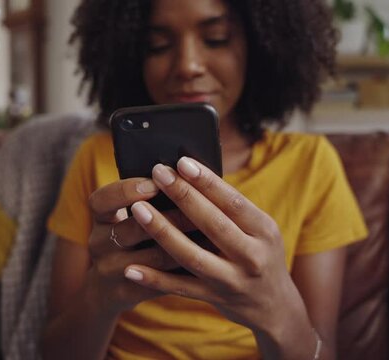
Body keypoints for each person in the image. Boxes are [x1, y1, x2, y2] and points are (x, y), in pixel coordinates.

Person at [43, 0, 368, 359]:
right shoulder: (96, 159)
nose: (188, 66)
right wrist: (100, 296)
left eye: (216, 39)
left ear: (262, 45)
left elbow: (324, 351)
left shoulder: (311, 164)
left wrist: (278, 312)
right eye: (158, 46)